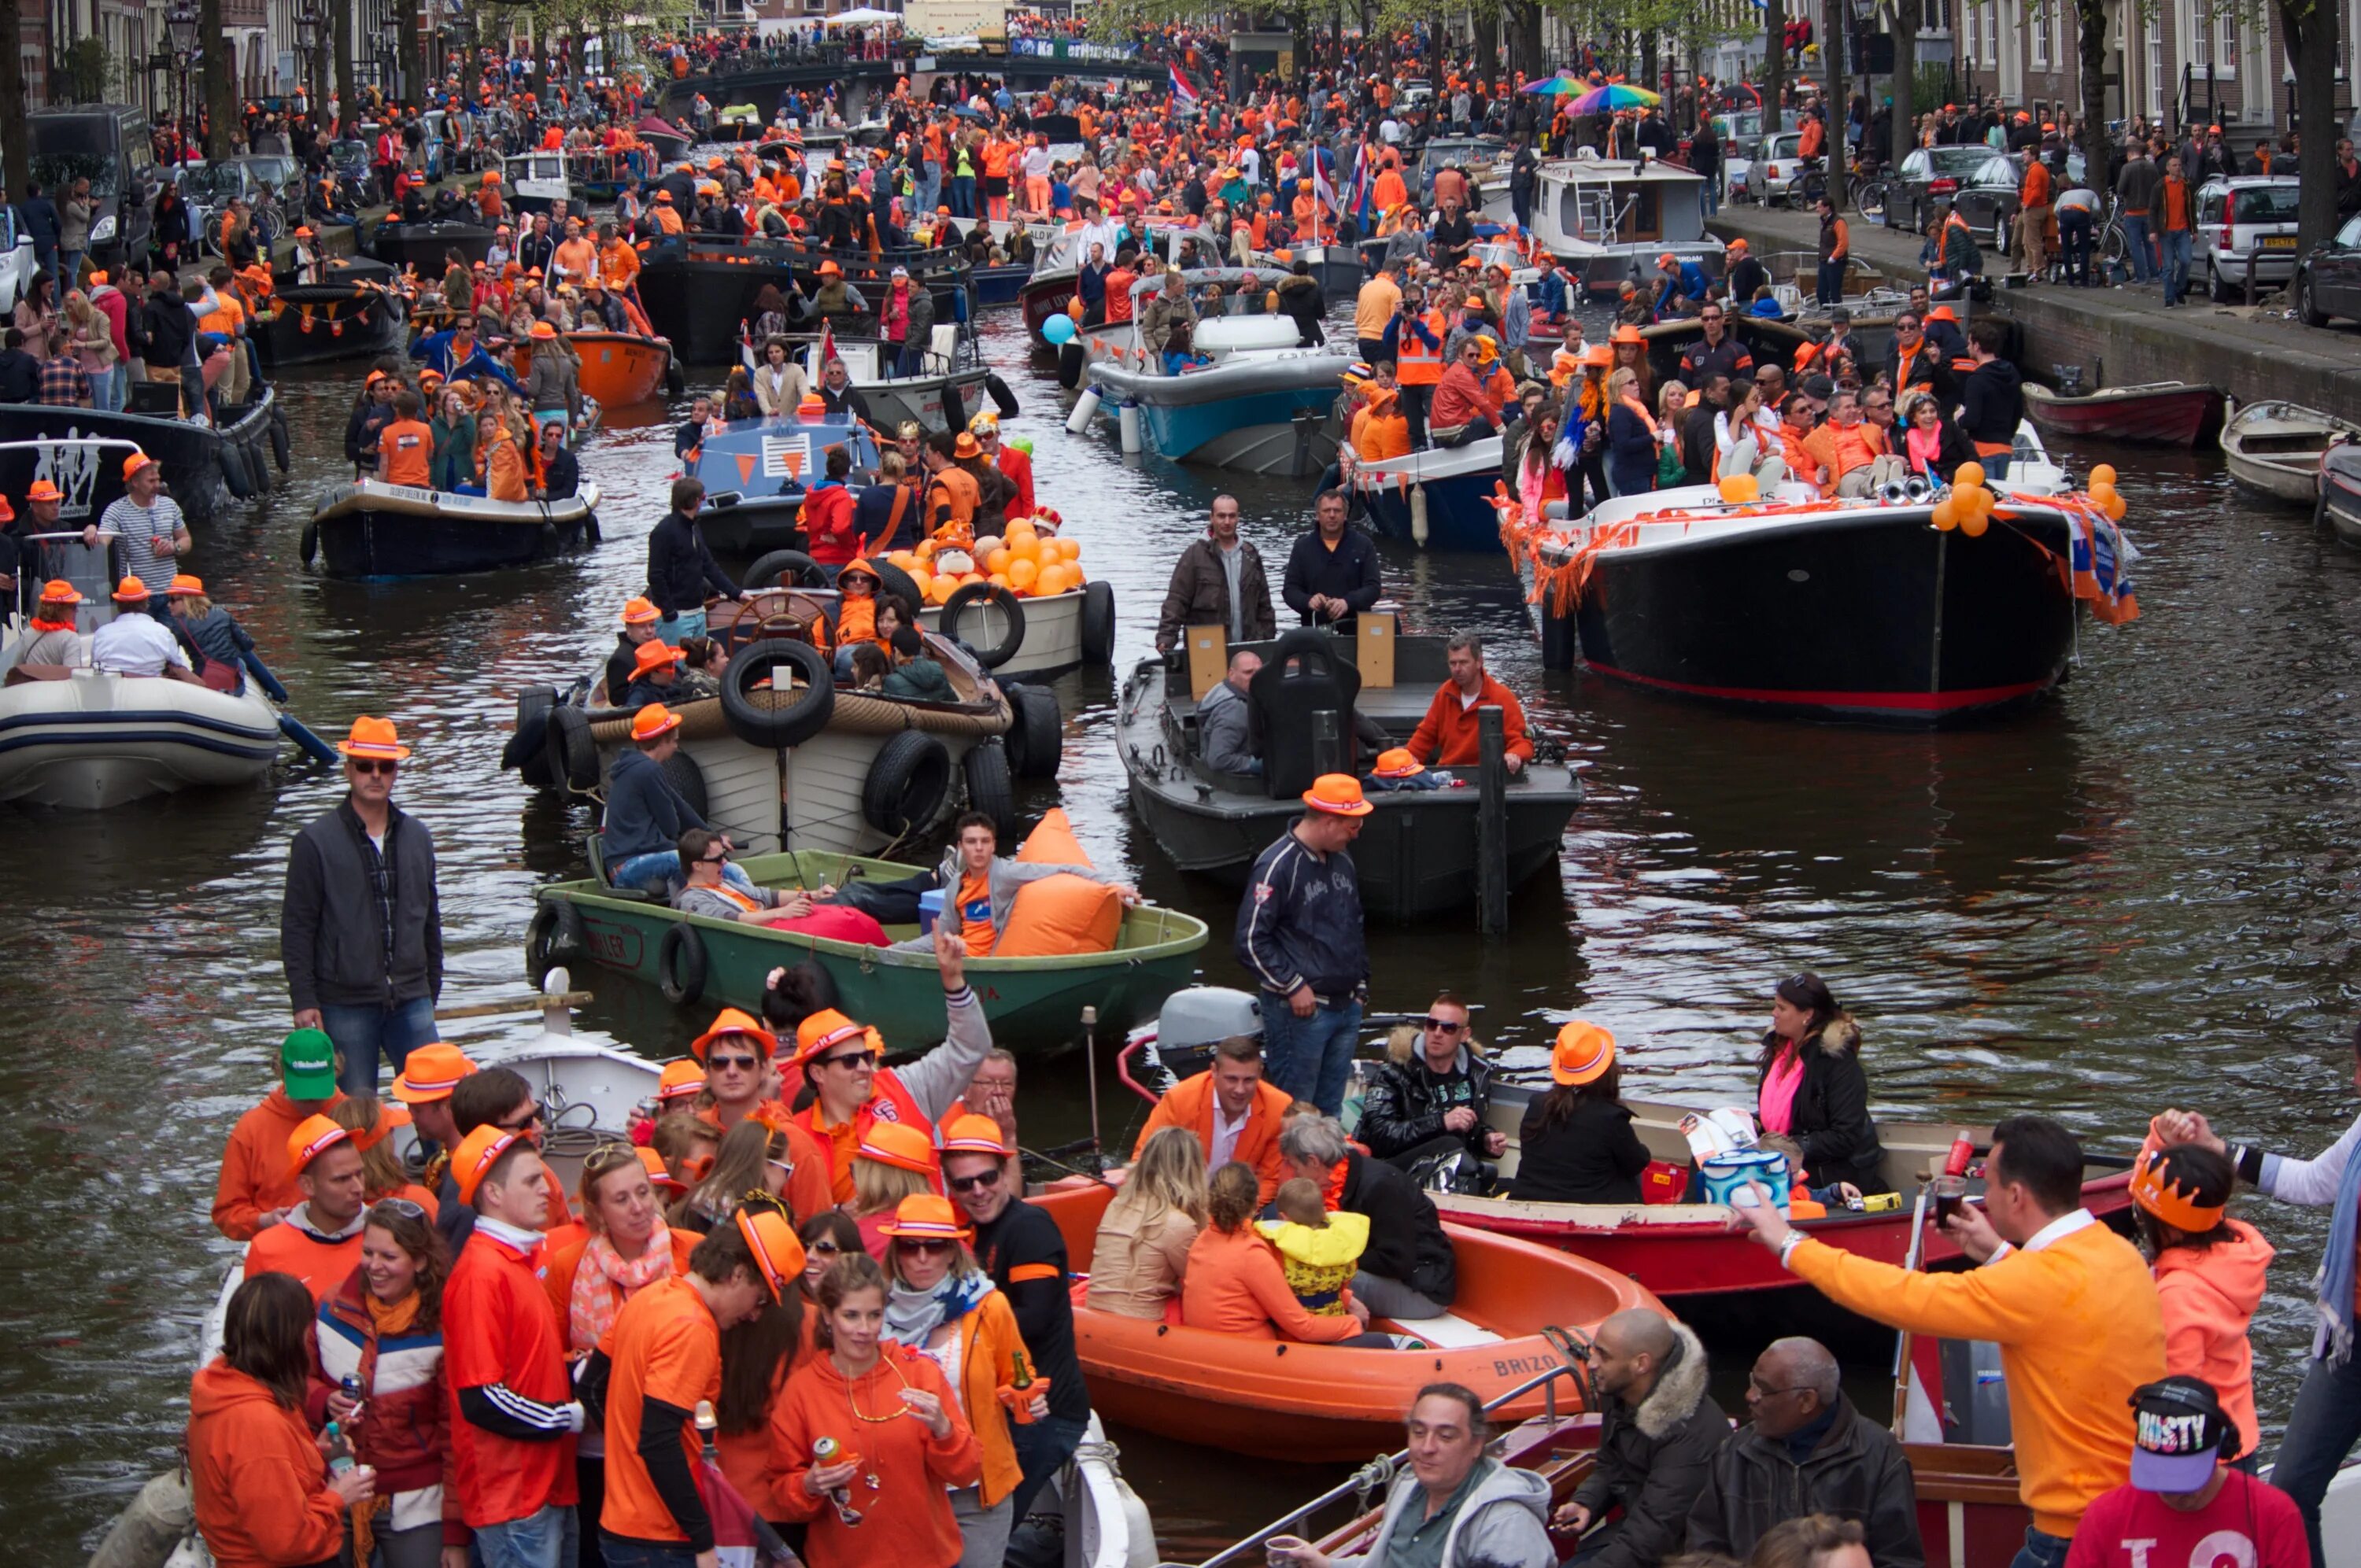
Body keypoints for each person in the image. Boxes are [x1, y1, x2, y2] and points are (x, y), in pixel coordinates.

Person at [1730, 1114, 2166, 1568]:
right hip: (2133, 1515)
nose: (1984, 1194)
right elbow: (2058, 1305)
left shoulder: (2034, 1284)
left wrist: (1789, 1243)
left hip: (2071, 1533)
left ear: (2016, 1196)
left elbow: (1903, 1297)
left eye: (1988, 1182)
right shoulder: (2117, 1254)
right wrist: (1997, 1253)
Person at [2149, 1024, 2361, 1565]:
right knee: (2291, 1487)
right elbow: (2314, 1182)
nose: (2357, 1081)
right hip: (2350, 1342)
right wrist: (2217, 1149)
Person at [763, 1252, 983, 1568]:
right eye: (851, 1316)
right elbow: (784, 1493)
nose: (865, 1329)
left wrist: (944, 1430)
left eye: (874, 1315)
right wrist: (809, 1485)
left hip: (927, 1559)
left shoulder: (919, 1373)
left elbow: (967, 1472)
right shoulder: (802, 1391)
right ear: (827, 1315)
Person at [594, 1210, 786, 1567]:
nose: (755, 1314)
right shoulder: (693, 1327)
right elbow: (658, 1441)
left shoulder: (651, 1297)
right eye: (759, 1298)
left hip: (622, 1526)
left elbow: (592, 1387)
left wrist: (627, 1458)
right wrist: (702, 1540)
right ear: (738, 1274)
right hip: (661, 1537)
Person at [442, 1121, 586, 1568]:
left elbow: (524, 1369)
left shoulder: (514, 1264)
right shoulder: (482, 1275)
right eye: (531, 1180)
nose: (548, 1188)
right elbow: (482, 1397)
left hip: (544, 1489)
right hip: (516, 1497)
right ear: (493, 1194)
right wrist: (567, 1417)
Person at [879, 1192, 1047, 1568]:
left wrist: (1028, 1399)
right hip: (907, 1488)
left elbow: (1019, 1375)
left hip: (978, 1492)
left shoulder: (989, 1307)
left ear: (952, 1250)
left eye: (934, 1246)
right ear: (896, 1251)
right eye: (910, 1246)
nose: (922, 1258)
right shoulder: (875, 1312)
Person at [941, 1112, 1091, 1526]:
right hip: (1008, 1411)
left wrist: (953, 1329)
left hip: (1045, 1415)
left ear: (1005, 1172)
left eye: (986, 1178)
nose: (977, 1191)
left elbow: (1036, 1317)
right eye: (963, 1183)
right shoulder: (975, 1232)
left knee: (992, 1526)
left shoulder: (1029, 1229)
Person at [281, 716, 442, 1097]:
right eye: (366, 766)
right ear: (349, 770)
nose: (376, 775)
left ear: (395, 772)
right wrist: (304, 999)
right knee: (357, 1114)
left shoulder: (418, 837)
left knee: (438, 1099)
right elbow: (297, 927)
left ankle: (441, 1159)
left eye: (385, 767)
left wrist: (431, 982)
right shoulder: (314, 842)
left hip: (412, 997)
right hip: (344, 1003)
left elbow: (429, 918)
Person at [785, 923, 992, 1200]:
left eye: (866, 1056)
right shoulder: (797, 1137)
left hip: (928, 1237)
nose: (863, 1067)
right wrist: (837, 1217)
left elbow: (971, 1047)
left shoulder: (905, 1086)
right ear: (818, 1073)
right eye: (849, 1061)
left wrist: (954, 983)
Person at [310, 1197, 464, 1568]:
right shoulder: (332, 1309)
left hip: (417, 1501)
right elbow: (297, 1380)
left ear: (421, 1261)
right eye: (368, 1253)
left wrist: (456, 1537)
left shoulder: (445, 1327)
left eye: (389, 1257)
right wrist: (323, 1401)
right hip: (337, 1486)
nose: (374, 1267)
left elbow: (454, 1434)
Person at [188, 1272, 377, 1568]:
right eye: (307, 1330)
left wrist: (312, 1451)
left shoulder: (226, 1391)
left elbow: (259, 1478)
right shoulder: (255, 1422)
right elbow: (285, 1542)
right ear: (290, 1339)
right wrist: (338, 1496)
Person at [1686, 1337, 1923, 1565]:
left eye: (1764, 1389)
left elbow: (1900, 1560)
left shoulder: (1880, 1456)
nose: (1750, 1396)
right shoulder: (1733, 1454)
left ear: (1807, 1401)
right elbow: (1705, 1552)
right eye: (1752, 1382)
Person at [1275, 1382, 1555, 1568]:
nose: (1427, 1448)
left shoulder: (1506, 1523)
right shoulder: (1409, 1483)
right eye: (1418, 1432)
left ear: (1476, 1445)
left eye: (1445, 1436)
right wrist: (1326, 1563)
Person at [2124, 1135, 2271, 1467]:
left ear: (2169, 1229)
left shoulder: (2179, 1296)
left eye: (2142, 1218)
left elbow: (2176, 1396)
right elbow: (2147, 1188)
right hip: (2238, 1436)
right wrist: (2157, 1137)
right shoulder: (2230, 1256)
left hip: (2201, 1461)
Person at [2060, 1376, 2308, 1568]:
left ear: (2220, 1449)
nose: (2174, 1494)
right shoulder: (2104, 1519)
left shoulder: (2275, 1515)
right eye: (2160, 1478)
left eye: (2186, 1479)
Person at [1550, 1309, 1728, 1568]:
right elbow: (1611, 1463)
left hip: (1684, 1553)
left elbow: (1655, 1532)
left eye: (1604, 1355)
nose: (1591, 1363)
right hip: (1639, 1530)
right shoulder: (1619, 1388)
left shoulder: (1689, 1435)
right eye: (1594, 1350)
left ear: (1641, 1364)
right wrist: (1587, 1502)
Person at [1237, 773, 1370, 1116]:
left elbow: (1354, 924)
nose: (1357, 835)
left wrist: (1361, 985)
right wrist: (1293, 985)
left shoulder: (1343, 860)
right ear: (1329, 822)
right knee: (1293, 1112)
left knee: (1330, 1113)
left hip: (1346, 1006)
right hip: (1301, 1013)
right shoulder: (1277, 865)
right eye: (1352, 828)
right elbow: (1251, 939)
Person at [816, 810, 1130, 956]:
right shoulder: (957, 886)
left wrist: (1113, 885)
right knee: (897, 951)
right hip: (960, 952)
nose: (978, 849)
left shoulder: (1005, 874)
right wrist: (898, 951)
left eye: (984, 842)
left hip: (986, 961)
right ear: (961, 847)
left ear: (993, 846)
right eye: (971, 842)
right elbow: (944, 933)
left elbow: (1062, 869)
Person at [1182, 1160, 1387, 1344]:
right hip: (1251, 1351)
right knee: (1382, 1342)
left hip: (1207, 1346)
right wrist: (1351, 1323)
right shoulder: (1252, 1253)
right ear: (1255, 1203)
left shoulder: (1203, 1239)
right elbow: (1303, 1327)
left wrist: (1348, 1301)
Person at [1280, 1114, 1456, 1317]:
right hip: (1390, 1277)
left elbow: (1396, 1261)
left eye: (1294, 1166)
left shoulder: (1380, 1186)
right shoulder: (1336, 1181)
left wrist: (1329, 1253)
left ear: (1313, 1162)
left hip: (1420, 1292)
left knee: (1310, 1277)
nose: (1293, 1174)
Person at [1757, 974, 1886, 1195]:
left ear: (1807, 1015)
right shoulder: (1778, 1052)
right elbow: (1783, 1113)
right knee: (1707, 1154)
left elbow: (1844, 1136)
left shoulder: (1837, 1061)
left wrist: (1787, 1146)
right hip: (1782, 1156)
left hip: (1830, 1172)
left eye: (1781, 1008)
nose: (1774, 1013)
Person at [1130, 1031, 1293, 1206]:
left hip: (1241, 1209)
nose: (1240, 1090)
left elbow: (1269, 1179)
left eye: (1249, 1080)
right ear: (1214, 1071)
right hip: (1182, 1205)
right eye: (1232, 1079)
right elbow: (1144, 1161)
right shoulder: (1179, 1100)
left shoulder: (1279, 1108)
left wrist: (1234, 1215)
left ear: (1260, 1074)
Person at [212, 1027, 344, 1240]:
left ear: (336, 1071)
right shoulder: (250, 1130)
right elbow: (227, 1214)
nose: (310, 1100)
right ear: (280, 1072)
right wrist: (263, 1220)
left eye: (317, 1090)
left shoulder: (357, 1117)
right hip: (279, 1244)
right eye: (303, 1091)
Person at [1358, 993, 1504, 1177]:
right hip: (1393, 1170)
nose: (1437, 1033)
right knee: (1451, 1145)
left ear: (1464, 1034)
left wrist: (1486, 1139)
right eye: (1432, 1025)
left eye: (1448, 1028)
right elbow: (1376, 1137)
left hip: (1452, 1167)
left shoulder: (1476, 1075)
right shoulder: (1392, 1074)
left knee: (1489, 1172)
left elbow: (1471, 1129)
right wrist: (1441, 1122)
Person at [1503, 1020, 1650, 1204]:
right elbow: (1637, 1162)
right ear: (1608, 1070)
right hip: (1588, 1215)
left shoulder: (1536, 1105)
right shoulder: (1610, 1118)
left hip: (1530, 1205)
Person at [242, 1112, 369, 1301]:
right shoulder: (266, 1250)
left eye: (359, 1174)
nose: (358, 1188)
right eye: (341, 1179)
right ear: (307, 1185)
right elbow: (255, 1326)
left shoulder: (390, 1236)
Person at [1089, 1125, 1209, 1319]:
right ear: (1191, 1171)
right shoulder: (1179, 1225)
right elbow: (1200, 1282)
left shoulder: (1117, 1205)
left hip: (1095, 1314)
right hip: (1143, 1325)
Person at [1155, 494, 1277, 654]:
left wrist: (1266, 640)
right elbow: (1177, 600)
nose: (1227, 522)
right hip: (1207, 648)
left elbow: (1264, 605)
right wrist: (1166, 637)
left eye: (1232, 516)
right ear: (1212, 518)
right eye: (1221, 516)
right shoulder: (1194, 555)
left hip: (1248, 648)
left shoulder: (1251, 555)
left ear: (1238, 518)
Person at [1405, 633, 1532, 775]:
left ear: (1479, 662)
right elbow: (1425, 736)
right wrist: (1406, 760)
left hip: (1486, 776)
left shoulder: (1502, 697)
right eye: (1453, 663)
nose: (1457, 669)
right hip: (1449, 775)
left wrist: (1514, 754)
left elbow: (1523, 743)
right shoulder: (1444, 694)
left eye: (1464, 662)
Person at [646, 477, 741, 644]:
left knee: (699, 668)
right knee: (678, 668)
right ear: (697, 501)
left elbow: (708, 565)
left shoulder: (693, 528)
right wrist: (669, 613)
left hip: (698, 612)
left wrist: (735, 592)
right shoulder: (663, 532)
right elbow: (655, 575)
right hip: (677, 617)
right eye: (702, 499)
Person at [1258, 1175, 1370, 1315]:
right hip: (1336, 1318)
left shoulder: (1277, 1248)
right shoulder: (1343, 1243)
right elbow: (1344, 1285)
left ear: (1283, 1217)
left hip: (1292, 1322)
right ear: (1324, 1211)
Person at [1280, 489, 1382, 629]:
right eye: (1327, 511)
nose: (1332, 515)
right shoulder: (1302, 547)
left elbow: (1373, 588)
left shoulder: (1364, 545)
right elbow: (1290, 590)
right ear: (1318, 515)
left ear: (1345, 515)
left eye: (1337, 511)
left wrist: (1347, 602)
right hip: (1314, 632)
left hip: (1356, 631)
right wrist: (1308, 601)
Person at [88, 452, 190, 573]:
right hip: (134, 589)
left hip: (170, 588)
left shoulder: (169, 505)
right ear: (135, 482)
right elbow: (103, 542)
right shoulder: (117, 510)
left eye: (158, 480)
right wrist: (93, 530)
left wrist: (174, 547)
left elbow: (186, 539)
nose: (157, 485)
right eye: (151, 481)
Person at [1957, 319, 2024, 476]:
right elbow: (2018, 411)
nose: (1967, 347)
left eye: (1969, 343)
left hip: (1983, 449)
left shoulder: (1977, 379)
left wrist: (1959, 418)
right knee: (2000, 496)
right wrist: (2008, 435)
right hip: (2005, 448)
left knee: (1987, 497)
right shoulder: (2012, 372)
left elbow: (1972, 420)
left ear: (1977, 346)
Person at [1195, 647, 1264, 775]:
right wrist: (1258, 765)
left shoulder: (1225, 691)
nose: (1255, 678)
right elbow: (1219, 759)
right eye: (1248, 673)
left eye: (1259, 672)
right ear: (1231, 674)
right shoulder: (1234, 710)